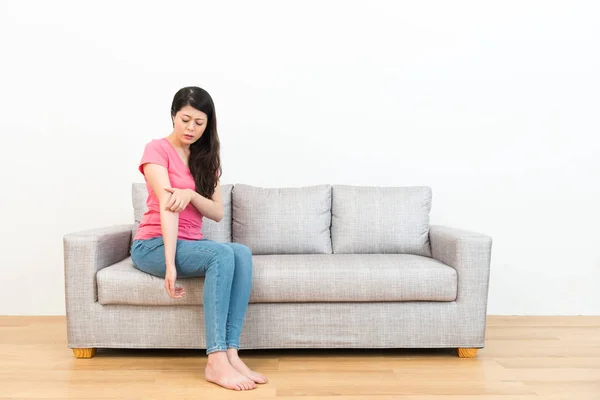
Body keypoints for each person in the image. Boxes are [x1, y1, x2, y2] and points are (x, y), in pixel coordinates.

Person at [130, 86, 267, 391]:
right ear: (173, 116)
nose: (191, 128)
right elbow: (168, 209)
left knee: (241, 252)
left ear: (208, 124)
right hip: (153, 243)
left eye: (199, 122)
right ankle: (215, 360)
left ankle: (232, 353)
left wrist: (190, 193)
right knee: (221, 254)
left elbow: (217, 212)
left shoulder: (206, 157)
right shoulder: (156, 150)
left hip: (191, 243)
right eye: (185, 119)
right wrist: (169, 264)